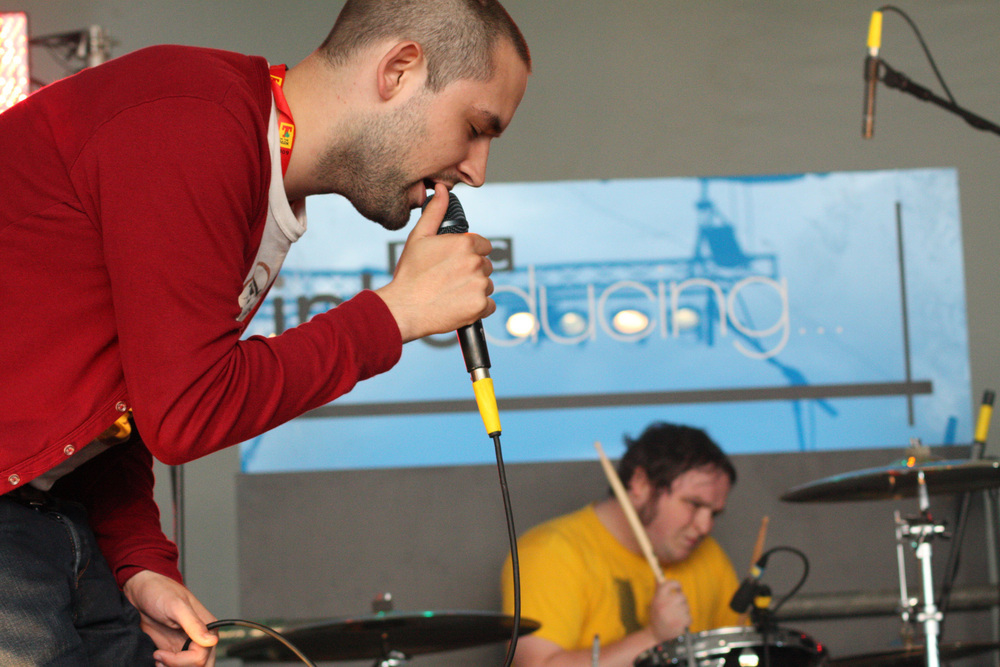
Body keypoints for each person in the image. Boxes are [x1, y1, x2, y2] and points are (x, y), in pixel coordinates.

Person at [0, 1, 530, 665]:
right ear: (398, 69)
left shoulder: (258, 175)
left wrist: (139, 560)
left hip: (54, 521)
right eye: (476, 127)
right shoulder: (195, 119)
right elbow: (186, 411)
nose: (477, 168)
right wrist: (393, 314)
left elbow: (118, 406)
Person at [501, 422, 742, 667]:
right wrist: (653, 638)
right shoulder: (551, 552)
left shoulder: (709, 555)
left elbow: (741, 653)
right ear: (640, 483)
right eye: (694, 504)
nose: (705, 526)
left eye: (714, 513)